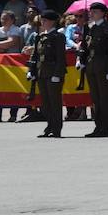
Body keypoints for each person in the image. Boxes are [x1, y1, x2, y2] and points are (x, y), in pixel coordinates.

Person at [82, 1, 108, 138]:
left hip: (103, 65)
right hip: (91, 65)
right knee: (96, 98)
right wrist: (82, 59)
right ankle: (98, 126)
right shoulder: (89, 27)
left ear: (103, 13)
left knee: (105, 98)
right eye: (91, 11)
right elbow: (85, 47)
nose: (92, 13)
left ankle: (106, 127)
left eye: (95, 11)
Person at [31, 10, 67, 138]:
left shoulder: (58, 37)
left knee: (54, 103)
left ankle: (56, 129)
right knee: (45, 103)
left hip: (53, 73)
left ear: (52, 22)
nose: (42, 22)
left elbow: (60, 58)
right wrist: (32, 71)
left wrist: (57, 74)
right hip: (42, 73)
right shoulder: (40, 37)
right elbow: (35, 55)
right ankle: (50, 125)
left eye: (45, 20)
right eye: (42, 20)